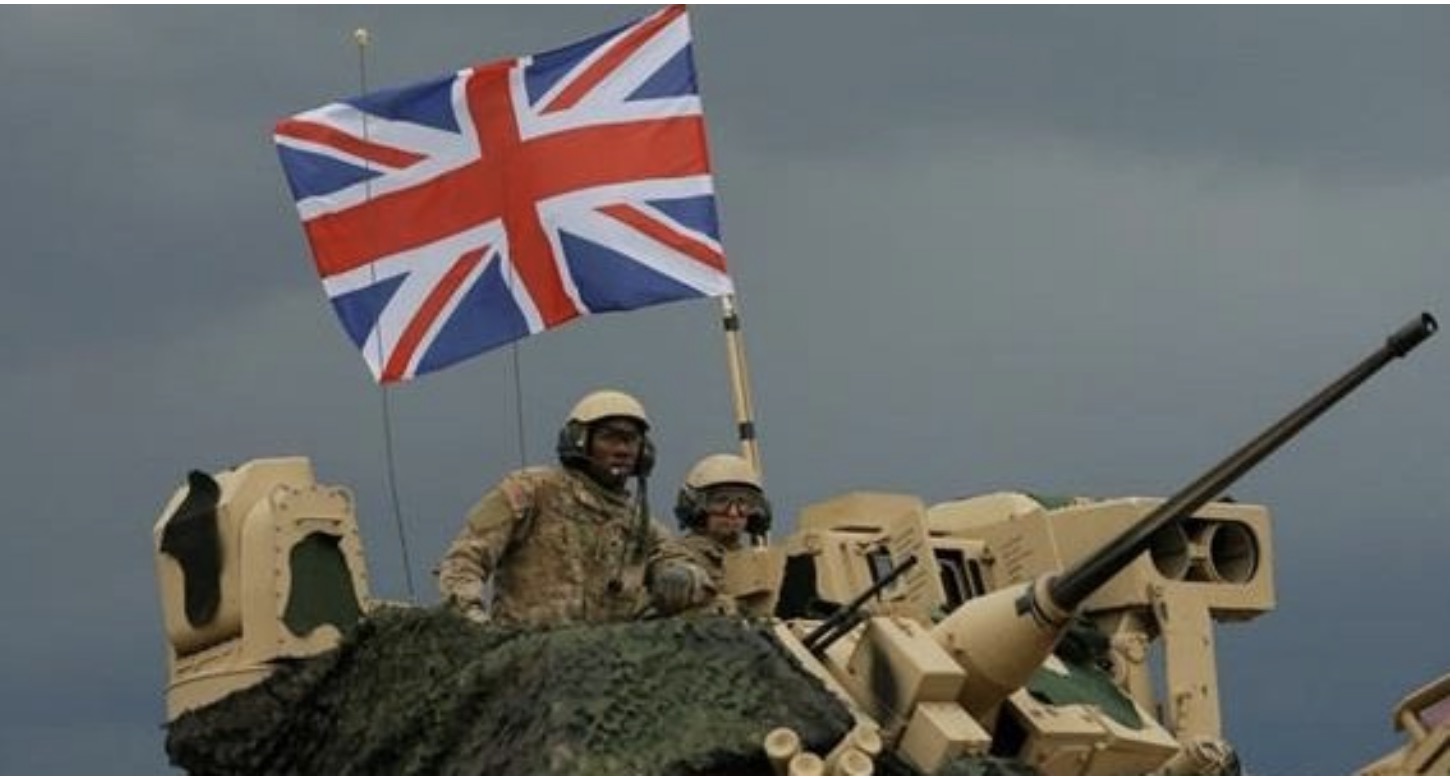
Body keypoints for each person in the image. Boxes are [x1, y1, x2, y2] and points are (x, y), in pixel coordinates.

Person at [437, 389, 679, 628]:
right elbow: (464, 560)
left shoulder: (641, 525)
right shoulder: (531, 492)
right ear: (580, 441)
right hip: (526, 647)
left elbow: (679, 563)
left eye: (631, 440)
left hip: (608, 652)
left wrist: (682, 578)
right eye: (610, 438)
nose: (623, 450)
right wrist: (472, 621)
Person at [657, 452, 773, 617]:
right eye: (721, 501)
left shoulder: (758, 561)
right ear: (696, 506)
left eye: (743, 502)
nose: (733, 512)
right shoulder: (678, 555)